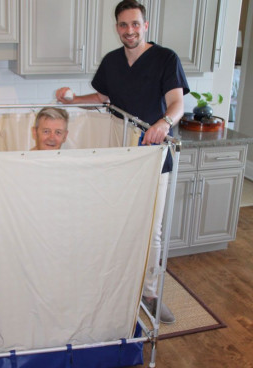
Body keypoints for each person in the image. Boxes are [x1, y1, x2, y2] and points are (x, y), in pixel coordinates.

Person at [56, 0, 190, 324]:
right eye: (123, 25)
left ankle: (151, 293)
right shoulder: (112, 62)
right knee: (116, 225)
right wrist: (72, 99)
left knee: (152, 231)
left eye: (135, 24)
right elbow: (104, 99)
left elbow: (177, 104)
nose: (129, 30)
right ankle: (115, 286)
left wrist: (163, 123)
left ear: (145, 25)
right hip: (119, 157)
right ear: (117, 28)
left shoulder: (165, 58)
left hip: (154, 157)